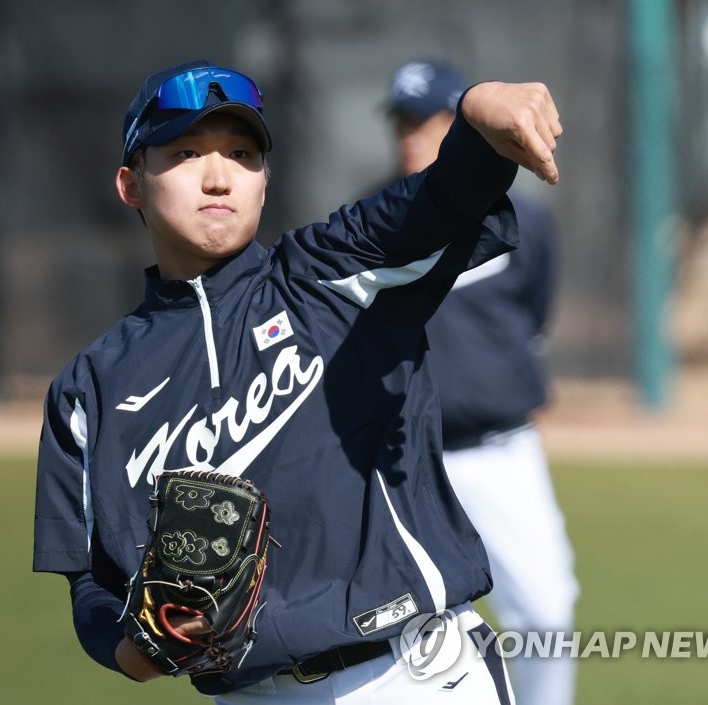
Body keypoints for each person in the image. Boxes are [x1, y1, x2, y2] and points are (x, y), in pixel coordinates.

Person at [32, 58, 563, 704]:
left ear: (264, 181)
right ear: (131, 183)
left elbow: (444, 196)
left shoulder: (333, 271)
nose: (219, 175)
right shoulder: (89, 392)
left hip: (417, 672)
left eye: (242, 152)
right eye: (186, 152)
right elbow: (90, 582)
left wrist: (480, 112)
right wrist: (132, 650)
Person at [384, 59, 579, 705]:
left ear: (462, 126)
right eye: (402, 121)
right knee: (406, 642)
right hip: (400, 466)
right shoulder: (369, 231)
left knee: (548, 615)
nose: (412, 134)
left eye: (429, 119)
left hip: (501, 451)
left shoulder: (525, 221)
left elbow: (535, 311)